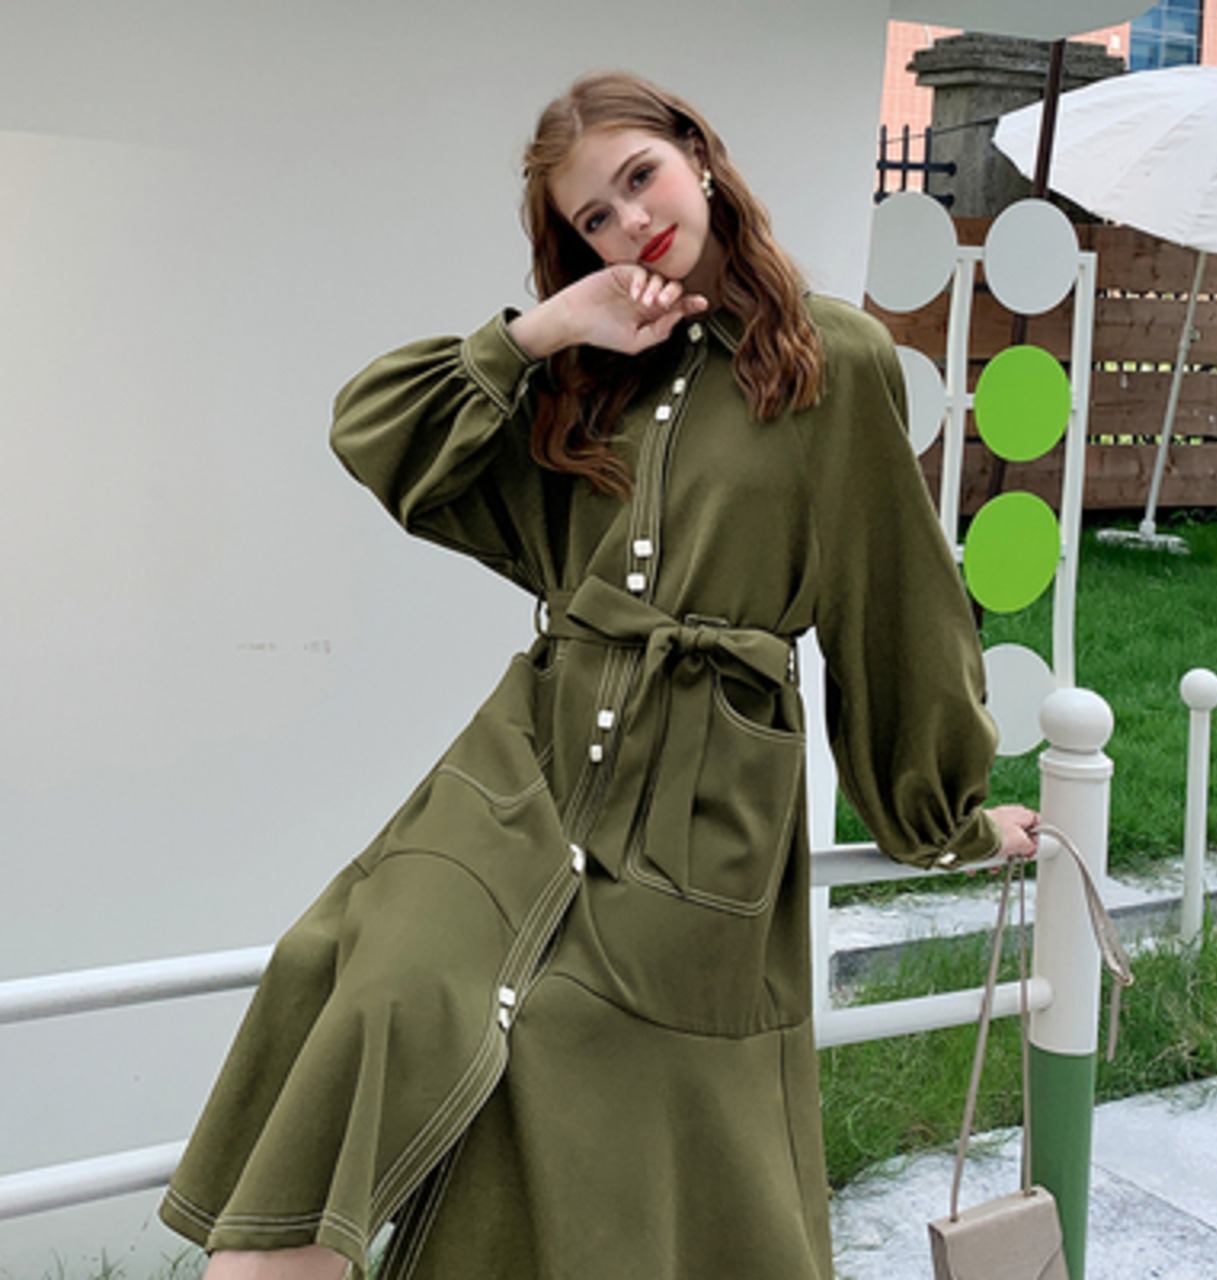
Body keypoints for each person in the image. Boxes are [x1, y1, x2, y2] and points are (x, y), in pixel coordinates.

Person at [159, 70, 1038, 1280]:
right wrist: (548, 329)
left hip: (698, 813)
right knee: (367, 986)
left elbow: (894, 602)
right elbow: (378, 429)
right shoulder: (584, 371)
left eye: (640, 177)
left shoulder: (834, 359)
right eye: (594, 216)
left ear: (698, 156)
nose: (631, 220)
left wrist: (944, 818)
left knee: (567, 1070)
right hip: (519, 777)